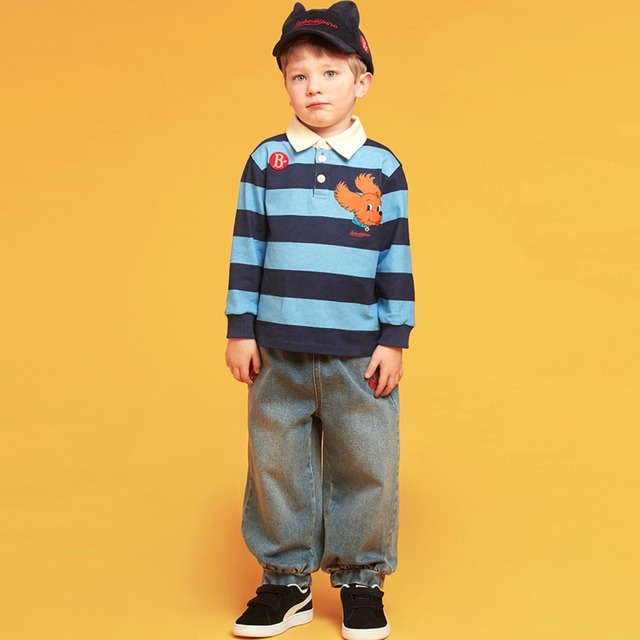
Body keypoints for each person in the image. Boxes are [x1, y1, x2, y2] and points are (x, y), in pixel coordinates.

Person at [224, 3, 414, 638]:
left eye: (330, 73)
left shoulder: (382, 167)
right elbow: (247, 248)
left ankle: (362, 579)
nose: (314, 88)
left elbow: (395, 257)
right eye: (299, 76)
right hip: (276, 350)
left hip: (358, 353)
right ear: (285, 84)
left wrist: (394, 338)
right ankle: (286, 582)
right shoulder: (266, 162)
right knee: (277, 464)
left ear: (361, 81)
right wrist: (240, 327)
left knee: (367, 464)